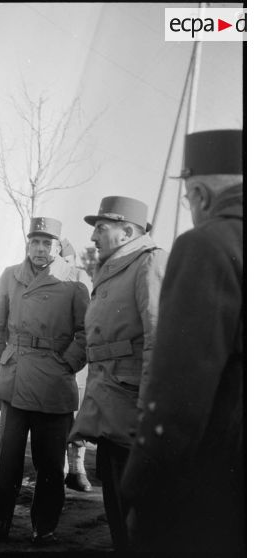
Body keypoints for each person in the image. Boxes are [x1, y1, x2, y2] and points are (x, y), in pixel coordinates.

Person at [121, 129, 244, 553]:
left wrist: (142, 491)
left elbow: (178, 395)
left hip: (212, 484)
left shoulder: (206, 246)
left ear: (201, 195)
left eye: (188, 200)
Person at [0, 217, 89, 548]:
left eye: (47, 243)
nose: (40, 249)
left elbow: (86, 331)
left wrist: (68, 361)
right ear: (28, 244)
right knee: (6, 460)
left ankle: (44, 527)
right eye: (35, 242)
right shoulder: (11, 275)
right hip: (15, 376)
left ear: (58, 247)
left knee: (50, 462)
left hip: (54, 379)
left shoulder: (75, 279)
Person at [69, 196, 168, 550]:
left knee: (135, 510)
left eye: (101, 228)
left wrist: (148, 403)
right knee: (115, 500)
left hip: (130, 405)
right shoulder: (117, 264)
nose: (93, 237)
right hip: (109, 398)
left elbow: (159, 336)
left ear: (127, 232)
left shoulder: (148, 262)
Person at [60, 238, 92, 493]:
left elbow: (87, 323)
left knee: (78, 416)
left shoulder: (80, 278)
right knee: (55, 419)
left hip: (75, 358)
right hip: (49, 358)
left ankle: (77, 468)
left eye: (66, 260)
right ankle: (57, 469)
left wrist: (71, 358)